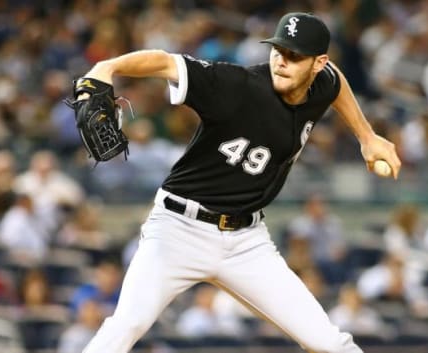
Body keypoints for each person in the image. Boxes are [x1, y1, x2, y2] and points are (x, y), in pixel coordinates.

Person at [75, 12, 401, 353]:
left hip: (247, 242)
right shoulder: (235, 85)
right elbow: (165, 62)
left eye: (295, 56)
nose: (282, 61)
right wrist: (105, 68)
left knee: (330, 343)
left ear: (318, 62)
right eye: (278, 50)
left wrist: (367, 135)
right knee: (127, 325)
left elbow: (336, 82)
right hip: (178, 229)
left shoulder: (321, 84)